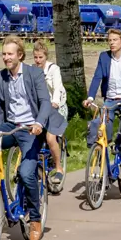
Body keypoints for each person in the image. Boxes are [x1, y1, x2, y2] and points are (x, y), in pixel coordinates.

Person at [0, 38, 62, 240]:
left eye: (10, 54)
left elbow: (45, 103)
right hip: (10, 126)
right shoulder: (0, 77)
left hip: (31, 129)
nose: (6, 58)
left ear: (20, 55)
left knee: (25, 173)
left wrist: (40, 123)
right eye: (4, 54)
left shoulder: (34, 74)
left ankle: (34, 219)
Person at [83, 27, 121, 167]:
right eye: (110, 40)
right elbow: (97, 77)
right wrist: (90, 97)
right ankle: (99, 149)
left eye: (115, 40)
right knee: (99, 122)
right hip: (110, 99)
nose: (112, 43)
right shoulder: (104, 57)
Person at [32, 40, 68, 190]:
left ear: (46, 56)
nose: (38, 60)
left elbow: (58, 88)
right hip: (41, 109)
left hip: (57, 107)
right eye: (36, 57)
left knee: (50, 137)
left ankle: (59, 168)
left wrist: (54, 102)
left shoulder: (54, 69)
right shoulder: (32, 70)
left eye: (41, 57)